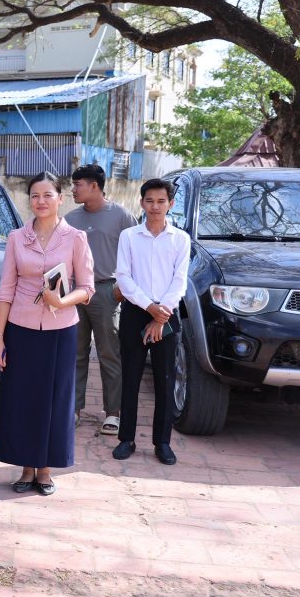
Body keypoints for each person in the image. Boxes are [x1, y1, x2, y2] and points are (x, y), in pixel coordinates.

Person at [0, 171, 95, 496]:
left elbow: (87, 288)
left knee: (55, 399)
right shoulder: (16, 238)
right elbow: (6, 290)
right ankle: (25, 467)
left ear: (60, 199)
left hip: (61, 330)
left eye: (48, 195)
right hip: (20, 329)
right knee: (22, 398)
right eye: (35, 195)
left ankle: (46, 470)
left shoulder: (75, 238)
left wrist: (62, 301)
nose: (41, 201)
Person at [112, 178, 191, 466]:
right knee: (131, 376)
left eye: (161, 201)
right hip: (136, 312)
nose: (155, 206)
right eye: (150, 201)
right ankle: (126, 438)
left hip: (167, 314)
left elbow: (180, 281)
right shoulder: (129, 236)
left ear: (171, 204)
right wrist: (149, 307)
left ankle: (162, 442)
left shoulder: (180, 239)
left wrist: (161, 314)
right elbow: (124, 277)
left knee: (165, 379)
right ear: (142, 203)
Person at [66, 164, 138, 435]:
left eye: (78, 185)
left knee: (109, 353)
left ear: (94, 186)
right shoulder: (70, 219)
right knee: (75, 353)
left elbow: (137, 254)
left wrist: (121, 289)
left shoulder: (122, 216)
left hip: (107, 291)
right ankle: (73, 409)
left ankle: (113, 413)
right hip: (75, 294)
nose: (73, 190)